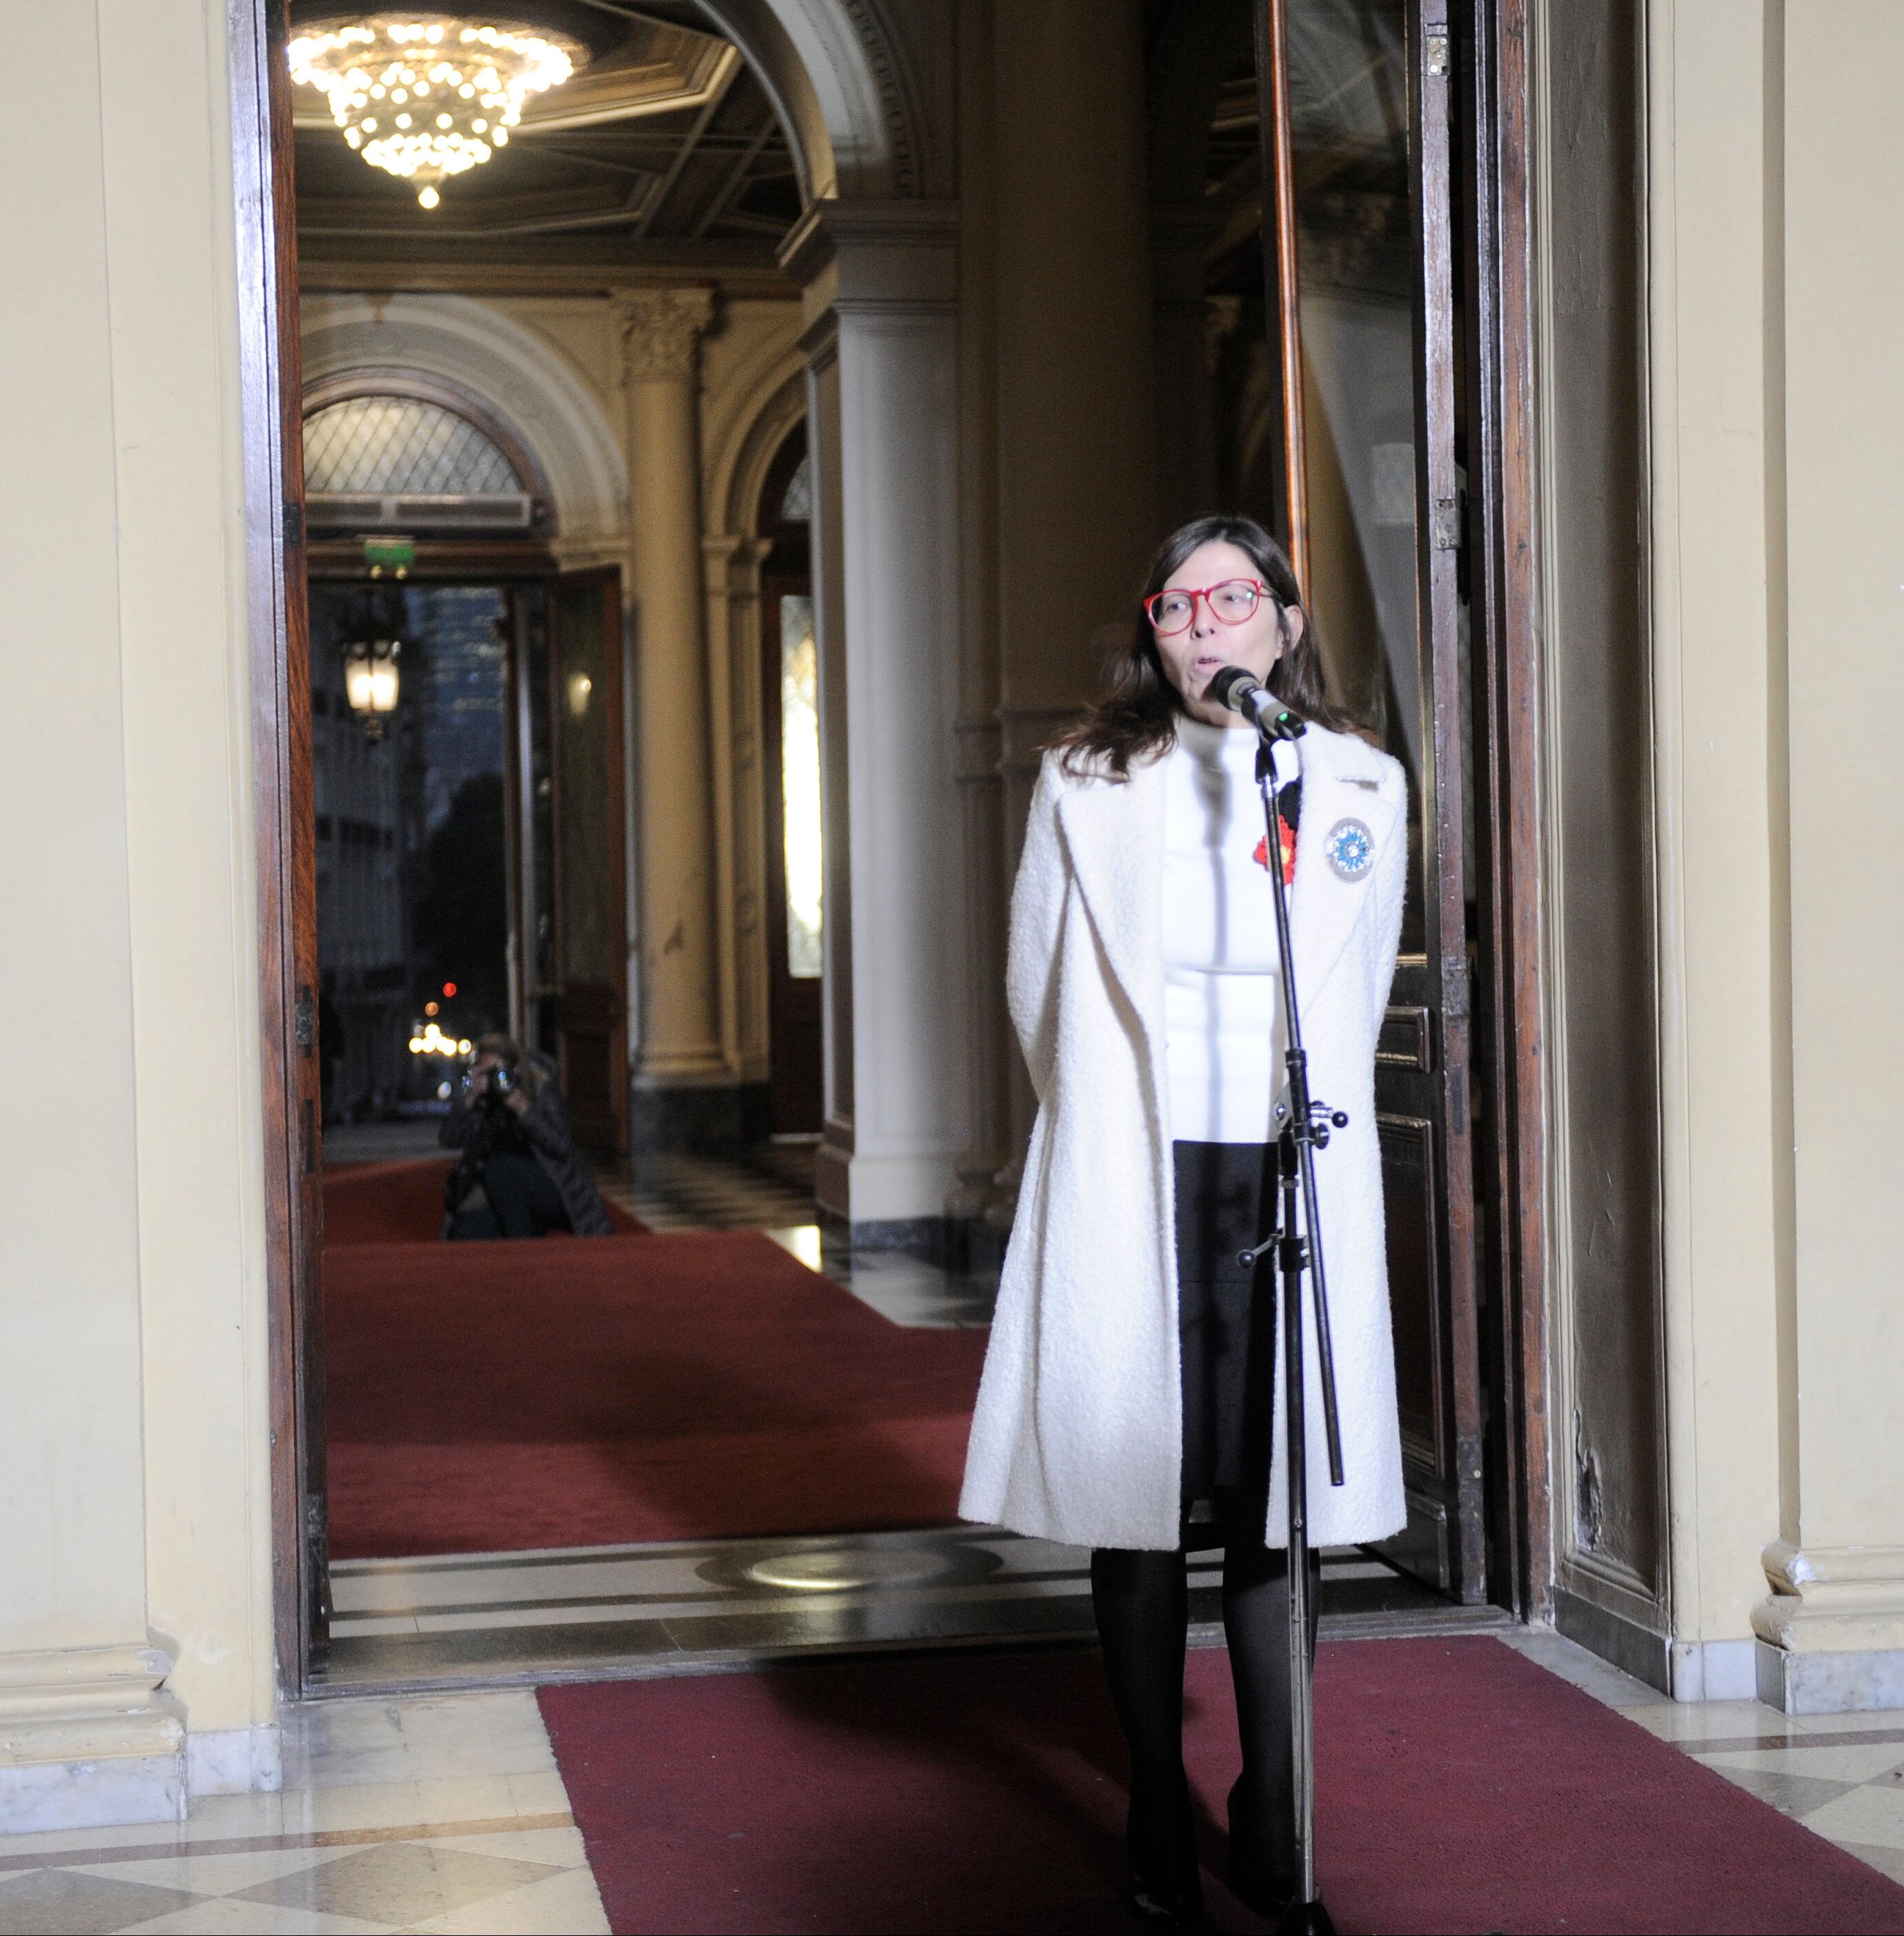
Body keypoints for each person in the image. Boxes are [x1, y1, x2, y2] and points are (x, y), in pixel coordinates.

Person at [960, 515, 1408, 1925]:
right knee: (1139, 1505)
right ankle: (1157, 1797)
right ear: (1151, 633)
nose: (1204, 624)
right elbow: (1036, 984)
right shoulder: (1086, 778)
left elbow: (1358, 993)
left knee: (1280, 1509)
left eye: (1232, 597)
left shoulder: (1358, 782)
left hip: (1286, 1172)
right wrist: (1102, 1116)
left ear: (1284, 617)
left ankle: (1273, 1812)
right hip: (1136, 1171)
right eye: (1175, 604)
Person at [439, 1035, 614, 1239]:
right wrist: (469, 1098)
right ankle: (525, 1234)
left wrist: (523, 1109)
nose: (496, 1080)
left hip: (552, 1189)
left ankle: (522, 1250)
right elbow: (448, 1139)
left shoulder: (539, 1091)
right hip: (507, 1196)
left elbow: (562, 1148)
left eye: (501, 1073)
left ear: (517, 1071)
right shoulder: (480, 1101)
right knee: (467, 1232)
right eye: (487, 1073)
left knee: (501, 1169)